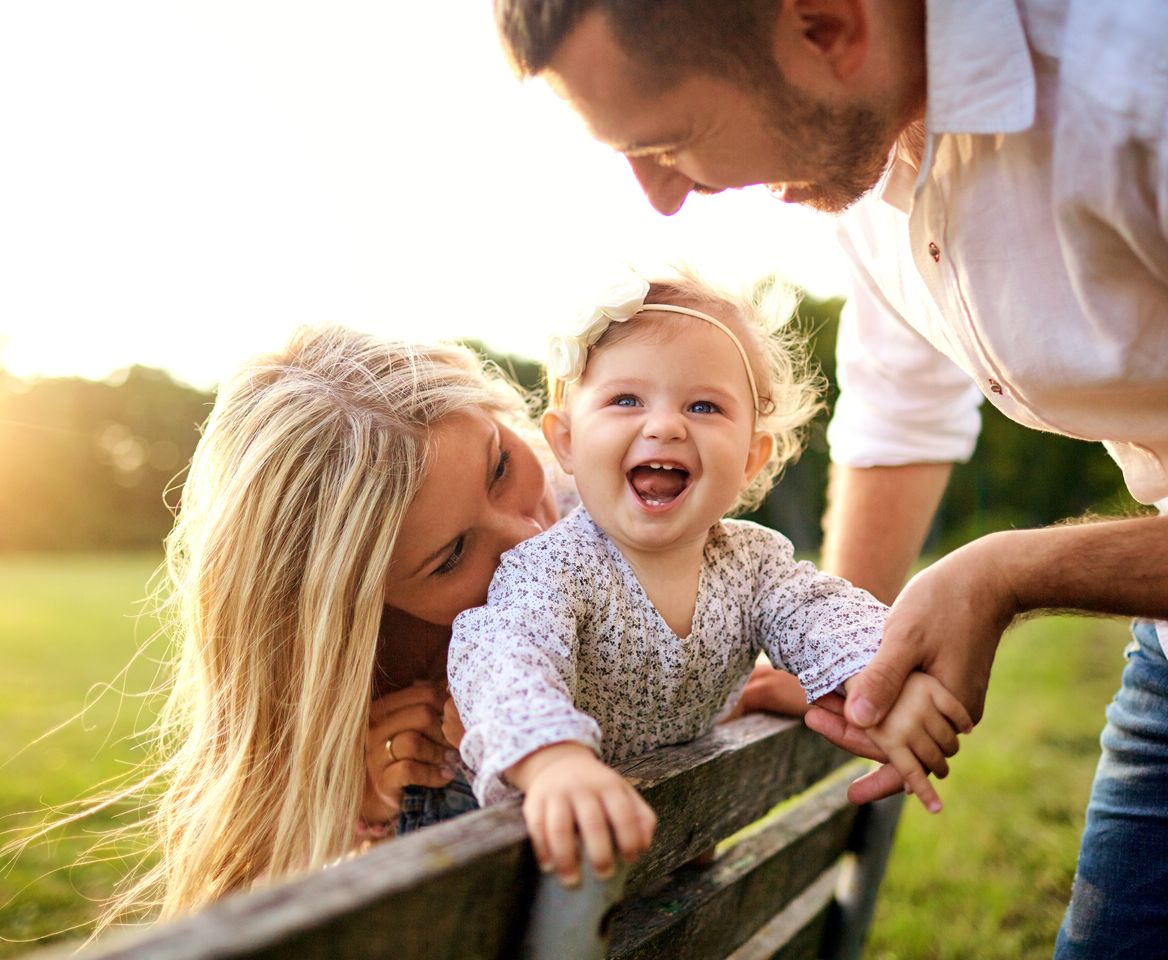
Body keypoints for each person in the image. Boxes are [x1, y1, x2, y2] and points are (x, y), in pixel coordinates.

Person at [491, 1, 1168, 956]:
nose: (660, 197)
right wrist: (849, 669)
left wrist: (1009, 570)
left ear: (827, 28)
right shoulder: (864, 169)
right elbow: (898, 413)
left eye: (672, 140)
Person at [46, 324, 808, 932]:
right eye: (451, 556)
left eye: (502, 465)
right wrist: (371, 808)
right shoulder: (372, 711)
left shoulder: (609, 522)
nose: (524, 533)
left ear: (513, 421)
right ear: (358, 612)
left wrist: (702, 691)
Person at [447, 269, 972, 888]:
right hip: (547, 864)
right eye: (625, 400)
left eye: (703, 406)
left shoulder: (753, 566)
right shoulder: (553, 569)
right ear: (564, 442)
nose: (666, 426)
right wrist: (553, 760)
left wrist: (878, 677)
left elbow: (823, 612)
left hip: (666, 856)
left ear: (751, 457)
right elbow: (503, 657)